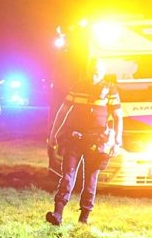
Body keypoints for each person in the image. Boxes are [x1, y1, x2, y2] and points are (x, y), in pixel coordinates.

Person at [46, 67, 123, 225]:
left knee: (90, 178)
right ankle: (57, 214)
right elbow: (63, 111)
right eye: (93, 71)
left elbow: (118, 117)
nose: (94, 74)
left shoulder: (110, 90)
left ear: (103, 72)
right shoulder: (78, 86)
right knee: (67, 175)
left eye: (98, 71)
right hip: (75, 138)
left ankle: (84, 218)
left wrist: (117, 141)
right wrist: (53, 134)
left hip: (96, 142)